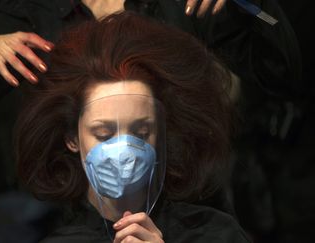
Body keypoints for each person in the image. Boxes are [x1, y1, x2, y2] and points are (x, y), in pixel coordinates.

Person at [14, 12, 249, 242]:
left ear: (162, 132)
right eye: (103, 134)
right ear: (72, 137)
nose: (124, 151)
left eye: (141, 133)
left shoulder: (213, 233)